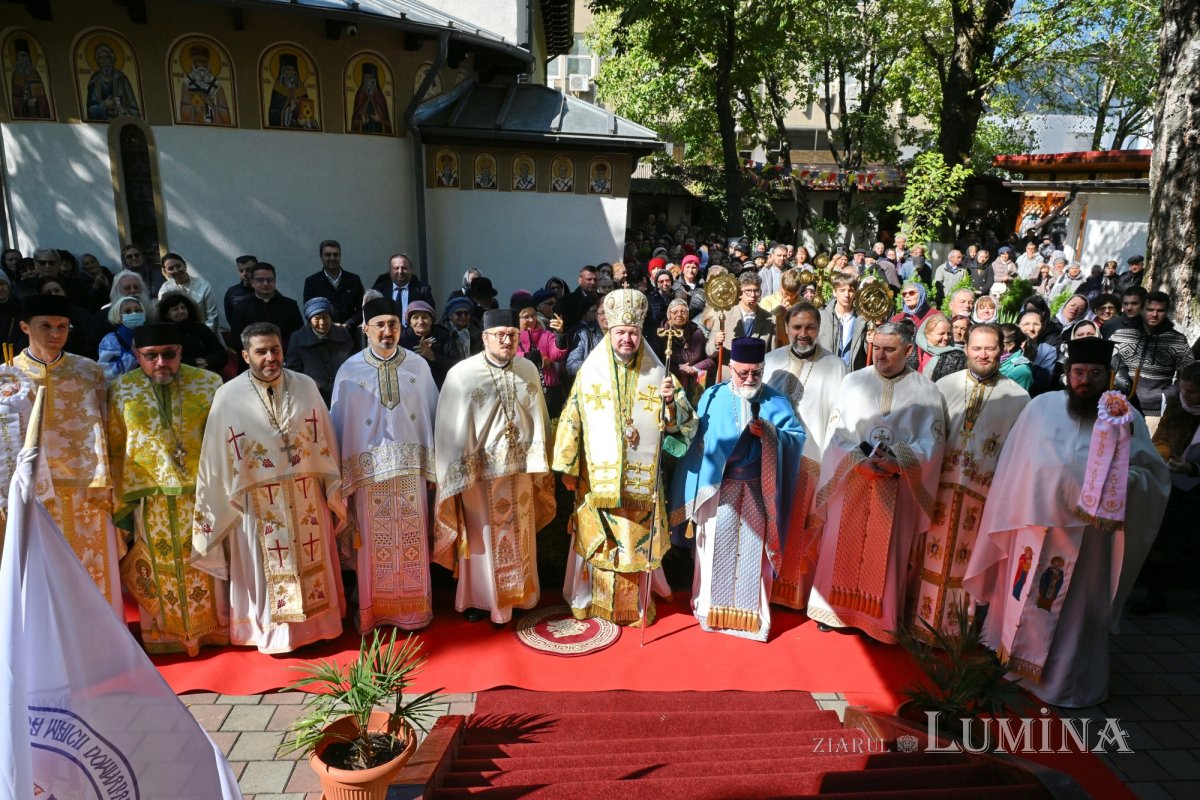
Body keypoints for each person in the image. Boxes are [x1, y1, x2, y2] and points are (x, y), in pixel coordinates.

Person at [963, 337, 1168, 707]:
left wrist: (1118, 482)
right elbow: (1014, 464)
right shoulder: (1042, 408)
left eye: (1094, 373)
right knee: (1024, 596)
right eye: (1078, 372)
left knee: (1074, 613)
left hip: (1089, 539)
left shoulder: (1126, 415)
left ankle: (1065, 684)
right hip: (1035, 529)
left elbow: (1153, 477)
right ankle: (1015, 671)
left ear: (1108, 376)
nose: (1085, 380)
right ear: (1067, 374)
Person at [192, 322, 347, 653]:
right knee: (266, 565)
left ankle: (319, 626)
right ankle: (272, 634)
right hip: (257, 502)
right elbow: (216, 460)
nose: (270, 358)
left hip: (305, 492)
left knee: (311, 556)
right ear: (246, 355)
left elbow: (326, 441)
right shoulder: (228, 396)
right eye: (261, 352)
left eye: (275, 350)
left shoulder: (305, 386)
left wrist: (330, 486)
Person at [553, 289, 695, 625]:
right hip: (595, 480)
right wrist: (567, 466)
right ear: (609, 333)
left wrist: (671, 403)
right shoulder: (589, 373)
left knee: (634, 543)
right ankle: (592, 602)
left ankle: (636, 606)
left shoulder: (659, 375)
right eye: (621, 333)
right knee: (600, 543)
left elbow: (683, 426)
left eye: (632, 333)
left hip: (640, 485)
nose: (627, 339)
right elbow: (571, 417)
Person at [807, 322, 947, 642]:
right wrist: (859, 460)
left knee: (887, 554)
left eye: (890, 349)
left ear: (909, 351)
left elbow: (933, 443)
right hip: (854, 478)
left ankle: (878, 620)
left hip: (896, 485)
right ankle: (832, 609)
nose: (880, 356)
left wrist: (899, 462)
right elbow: (837, 430)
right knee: (841, 541)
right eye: (877, 348)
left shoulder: (927, 391)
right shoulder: (854, 382)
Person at [669, 338, 805, 641]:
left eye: (756, 373)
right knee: (712, 549)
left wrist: (770, 434)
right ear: (731, 368)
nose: (750, 379)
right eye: (743, 373)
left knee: (753, 557)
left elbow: (795, 438)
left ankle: (751, 615)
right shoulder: (712, 397)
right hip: (719, 490)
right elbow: (696, 443)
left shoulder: (776, 400)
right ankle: (709, 608)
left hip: (759, 488)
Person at [107, 323, 228, 655]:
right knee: (157, 564)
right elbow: (116, 446)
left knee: (203, 558)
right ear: (136, 356)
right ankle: (165, 635)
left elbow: (223, 439)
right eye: (150, 356)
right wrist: (122, 502)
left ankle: (214, 628)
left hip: (201, 494)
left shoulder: (208, 384)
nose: (161, 362)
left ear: (180, 352)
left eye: (169, 354)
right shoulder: (120, 390)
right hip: (149, 497)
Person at [906, 324, 1029, 643]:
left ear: (1001, 351)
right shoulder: (944, 386)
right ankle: (920, 626)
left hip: (984, 500)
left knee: (969, 566)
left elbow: (1018, 455)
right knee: (927, 558)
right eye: (977, 348)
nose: (983, 355)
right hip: (939, 493)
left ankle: (956, 633)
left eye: (990, 349)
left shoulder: (1018, 397)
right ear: (966, 349)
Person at [433, 309, 556, 623]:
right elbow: (452, 429)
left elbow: (539, 417)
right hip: (480, 477)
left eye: (512, 335)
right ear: (485, 337)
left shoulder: (528, 369)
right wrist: (458, 472)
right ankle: (481, 599)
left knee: (520, 536)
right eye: (499, 335)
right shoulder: (462, 375)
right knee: (483, 537)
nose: (506, 340)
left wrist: (541, 458)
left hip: (521, 472)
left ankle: (522, 597)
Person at [331, 298, 438, 632]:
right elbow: (338, 422)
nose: (387, 331)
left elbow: (434, 416)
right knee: (372, 547)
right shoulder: (349, 370)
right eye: (379, 324)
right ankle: (372, 612)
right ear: (365, 329)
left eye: (393, 324)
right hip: (368, 477)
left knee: (412, 542)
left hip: (410, 474)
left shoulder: (418, 367)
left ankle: (414, 612)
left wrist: (436, 466)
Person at [14, 294, 123, 618]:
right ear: (24, 327)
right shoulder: (7, 377)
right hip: (33, 492)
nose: (55, 333)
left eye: (62, 326)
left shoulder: (88, 371)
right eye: (45, 326)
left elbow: (108, 425)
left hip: (87, 490)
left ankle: (101, 646)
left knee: (93, 570)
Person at [762, 303, 847, 608]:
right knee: (771, 520)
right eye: (797, 327)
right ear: (786, 328)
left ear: (819, 328)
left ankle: (795, 595)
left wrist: (830, 464)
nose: (803, 334)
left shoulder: (836, 366)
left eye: (810, 327)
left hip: (812, 459)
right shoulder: (771, 361)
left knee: (801, 526)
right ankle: (765, 588)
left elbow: (839, 417)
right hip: (772, 456)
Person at [1139, 362, 1200, 614]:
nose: (1185, 396)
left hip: (1195, 486)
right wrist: (1162, 456)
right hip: (1173, 483)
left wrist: (1193, 469)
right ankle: (1156, 595)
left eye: (1192, 392)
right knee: (1163, 541)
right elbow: (1161, 437)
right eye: (1183, 391)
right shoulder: (1177, 406)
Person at [1110, 290, 1194, 421]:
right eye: (1150, 309)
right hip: (1118, 407)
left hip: (1154, 413)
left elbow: (1189, 375)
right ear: (1142, 309)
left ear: (1167, 312)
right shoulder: (1120, 334)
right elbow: (1105, 362)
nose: (1154, 314)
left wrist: (1168, 395)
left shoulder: (1177, 340)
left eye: (1160, 311)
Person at [284, 297, 356, 405]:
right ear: (309, 320)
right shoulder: (298, 338)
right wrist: (307, 384)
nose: (322, 323)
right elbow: (293, 371)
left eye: (325, 317)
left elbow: (353, 362)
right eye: (317, 318)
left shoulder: (342, 333)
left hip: (344, 393)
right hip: (313, 396)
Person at [707, 271, 774, 381]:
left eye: (756, 291)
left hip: (756, 380)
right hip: (728, 378)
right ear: (739, 293)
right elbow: (709, 351)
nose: (753, 295)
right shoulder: (724, 315)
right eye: (748, 291)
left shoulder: (770, 319)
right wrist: (716, 343)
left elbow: (772, 356)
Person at [228, 262, 303, 351]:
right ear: (252, 282)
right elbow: (237, 340)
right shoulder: (241, 308)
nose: (265, 284)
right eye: (260, 280)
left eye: (270, 280)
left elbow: (299, 335)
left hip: (287, 357)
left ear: (275, 281)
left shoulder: (290, 305)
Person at [156, 291, 228, 373]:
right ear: (167, 314)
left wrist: (207, 362)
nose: (181, 311)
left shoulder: (201, 329)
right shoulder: (163, 334)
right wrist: (193, 364)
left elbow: (221, 355)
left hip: (208, 373)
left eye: (183, 308)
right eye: (175, 309)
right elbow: (164, 360)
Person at [303, 240, 366, 326]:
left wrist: (348, 324)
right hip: (323, 333)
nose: (332, 258)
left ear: (340, 256)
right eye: (328, 255)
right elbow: (309, 310)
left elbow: (362, 308)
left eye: (335, 255)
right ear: (321, 257)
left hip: (349, 332)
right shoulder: (312, 282)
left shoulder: (354, 280)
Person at [158, 251, 220, 334]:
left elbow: (213, 316)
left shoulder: (203, 285)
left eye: (178, 266)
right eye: (171, 268)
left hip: (206, 334)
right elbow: (164, 317)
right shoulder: (165, 288)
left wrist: (204, 336)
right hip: (178, 336)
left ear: (185, 266)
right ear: (165, 272)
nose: (176, 270)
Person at [399, 300, 456, 387]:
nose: (420, 322)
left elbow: (456, 365)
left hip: (440, 386)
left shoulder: (443, 336)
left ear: (431, 320)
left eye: (425, 317)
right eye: (415, 317)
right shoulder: (402, 340)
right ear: (409, 322)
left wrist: (432, 356)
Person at [370, 253, 435, 322]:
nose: (400, 271)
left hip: (412, 332)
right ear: (390, 271)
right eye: (396, 268)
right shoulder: (379, 290)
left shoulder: (423, 290)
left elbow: (431, 315)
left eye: (404, 268)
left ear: (411, 270)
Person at [98, 295, 148, 382]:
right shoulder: (110, 340)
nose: (134, 313)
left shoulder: (150, 334)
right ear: (119, 316)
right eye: (127, 311)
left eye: (137, 310)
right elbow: (106, 373)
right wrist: (132, 353)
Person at [85, 42, 139, 120]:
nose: (105, 61)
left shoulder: (121, 79)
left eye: (107, 57)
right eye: (101, 58)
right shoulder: (95, 81)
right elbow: (90, 111)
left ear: (112, 59)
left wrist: (121, 109)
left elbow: (135, 111)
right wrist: (105, 105)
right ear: (98, 61)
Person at [179, 44, 231, 125]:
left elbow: (226, 113)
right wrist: (194, 109)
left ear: (207, 63)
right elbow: (183, 108)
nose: (202, 65)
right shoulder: (187, 83)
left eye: (204, 62)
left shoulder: (216, 84)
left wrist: (211, 104)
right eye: (199, 61)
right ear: (194, 63)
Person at [350, 62, 392, 134]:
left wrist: (380, 119)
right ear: (363, 79)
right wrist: (361, 120)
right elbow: (355, 120)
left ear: (375, 79)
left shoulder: (379, 96)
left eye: (370, 77)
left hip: (378, 132)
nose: (368, 81)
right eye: (366, 77)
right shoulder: (360, 94)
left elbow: (387, 122)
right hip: (363, 132)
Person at [998, 324, 1034, 391]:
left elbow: (1017, 400)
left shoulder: (1021, 372)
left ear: (1010, 346)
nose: (990, 344)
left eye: (997, 342)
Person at [224, 254, 257, 324]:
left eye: (248, 270)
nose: (244, 274)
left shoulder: (266, 290)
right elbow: (231, 320)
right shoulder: (231, 293)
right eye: (241, 271)